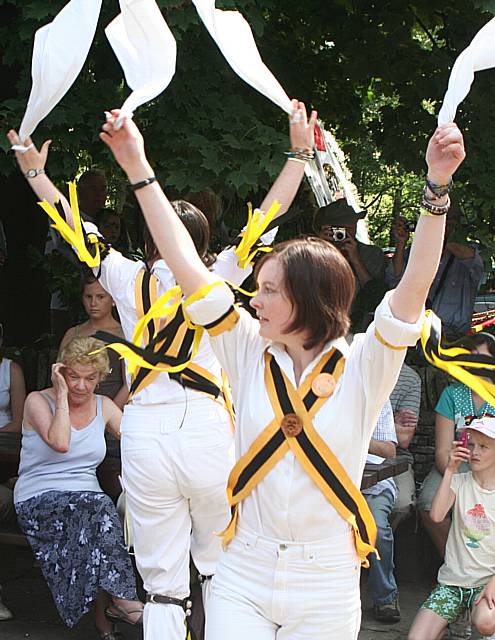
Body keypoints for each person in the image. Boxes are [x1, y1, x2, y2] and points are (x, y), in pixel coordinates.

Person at [89, 101, 465, 639]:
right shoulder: (244, 350)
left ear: (309, 300)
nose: (254, 301)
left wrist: (436, 188)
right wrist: (137, 169)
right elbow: (187, 266)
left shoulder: (365, 365)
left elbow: (412, 289)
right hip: (243, 570)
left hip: (328, 581)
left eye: (268, 290)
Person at [7, 99, 315, 640]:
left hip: (145, 430)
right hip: (206, 429)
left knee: (162, 585)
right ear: (203, 242)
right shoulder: (218, 272)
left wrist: (33, 168)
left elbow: (69, 219)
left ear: (150, 238)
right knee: (222, 568)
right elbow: (270, 214)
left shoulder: (124, 275)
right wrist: (298, 153)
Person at [13, 337, 143, 638]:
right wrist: (60, 395)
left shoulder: (105, 406)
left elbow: (138, 442)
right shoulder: (38, 401)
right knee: (97, 509)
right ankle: (122, 600)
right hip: (39, 498)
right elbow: (60, 442)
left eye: (90, 378)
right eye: (73, 376)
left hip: (87, 505)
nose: (81, 386)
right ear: (60, 372)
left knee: (94, 521)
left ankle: (106, 621)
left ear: (100, 378)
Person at [408, 417, 495, 640]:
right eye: (471, 444)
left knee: (486, 622)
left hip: (486, 581)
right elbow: (436, 515)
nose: (474, 451)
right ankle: (457, 618)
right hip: (452, 583)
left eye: (484, 446)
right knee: (416, 638)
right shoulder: (460, 481)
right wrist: (450, 470)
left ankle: (471, 619)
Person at [418, 333, 495, 559]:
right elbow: (442, 451)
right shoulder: (452, 395)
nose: (475, 363)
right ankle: (454, 563)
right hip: (457, 464)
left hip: (492, 467)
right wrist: (458, 478)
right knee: (428, 501)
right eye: (469, 357)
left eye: (481, 358)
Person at [386, 209, 484, 341]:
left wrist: (436, 234)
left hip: (451, 336)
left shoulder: (471, 250)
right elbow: (395, 278)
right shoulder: (420, 250)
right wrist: (401, 242)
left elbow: (476, 261)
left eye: (447, 220)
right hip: (416, 332)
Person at [46, 170, 108, 343]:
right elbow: (54, 256)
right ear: (80, 192)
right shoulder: (63, 221)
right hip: (67, 302)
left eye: (103, 189)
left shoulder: (111, 221)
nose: (99, 195)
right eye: (93, 189)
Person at [314, 198, 386, 330]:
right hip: (320, 322)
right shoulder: (314, 251)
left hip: (359, 326)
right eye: (341, 228)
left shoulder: (372, 254)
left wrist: (356, 259)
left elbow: (376, 295)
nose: (345, 233)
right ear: (328, 229)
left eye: (351, 227)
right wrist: (321, 248)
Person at [60, 274, 128, 409]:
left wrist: (106, 417)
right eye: (88, 297)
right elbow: (59, 377)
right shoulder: (73, 334)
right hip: (73, 409)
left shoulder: (124, 335)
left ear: (113, 300)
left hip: (111, 410)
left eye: (100, 297)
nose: (93, 303)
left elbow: (129, 385)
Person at [362, 400, 400, 623]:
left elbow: (389, 450)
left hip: (375, 484)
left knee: (375, 527)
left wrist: (353, 435)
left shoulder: (378, 395)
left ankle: (385, 596)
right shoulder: (317, 389)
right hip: (325, 483)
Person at [389, 362, 422, 527]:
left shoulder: (409, 378)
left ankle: (381, 546)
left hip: (395, 456)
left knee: (402, 502)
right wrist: (391, 422)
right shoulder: (350, 366)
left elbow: (403, 439)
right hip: (347, 451)